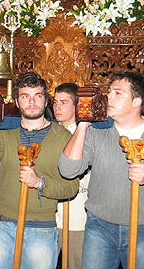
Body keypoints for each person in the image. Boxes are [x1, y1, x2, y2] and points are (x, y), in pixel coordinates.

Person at [59, 71, 144, 269]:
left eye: (118, 93)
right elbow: (67, 169)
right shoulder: (98, 132)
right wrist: (83, 124)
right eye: (109, 92)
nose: (109, 97)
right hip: (99, 227)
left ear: (137, 101)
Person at [0, 72, 79, 269]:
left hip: (41, 227)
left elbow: (71, 187)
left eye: (37, 96)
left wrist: (40, 183)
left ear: (46, 101)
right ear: (16, 102)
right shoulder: (5, 134)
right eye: (25, 96)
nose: (31, 102)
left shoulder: (63, 137)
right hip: (3, 225)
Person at [53, 82, 89, 269]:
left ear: (77, 106)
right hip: (50, 219)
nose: (57, 107)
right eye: (55, 102)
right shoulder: (49, 132)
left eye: (64, 102)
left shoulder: (87, 134)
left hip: (77, 219)